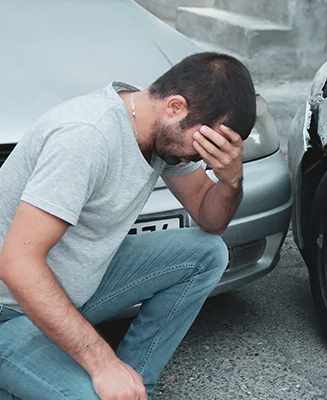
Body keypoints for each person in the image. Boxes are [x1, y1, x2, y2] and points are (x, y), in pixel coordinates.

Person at [0, 51, 256, 400]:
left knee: (207, 254)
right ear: (175, 107)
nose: (197, 158)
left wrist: (231, 180)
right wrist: (102, 363)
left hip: (76, 287)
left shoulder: (161, 132)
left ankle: (134, 386)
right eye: (201, 146)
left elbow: (211, 220)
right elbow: (17, 264)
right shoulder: (86, 137)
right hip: (10, 311)